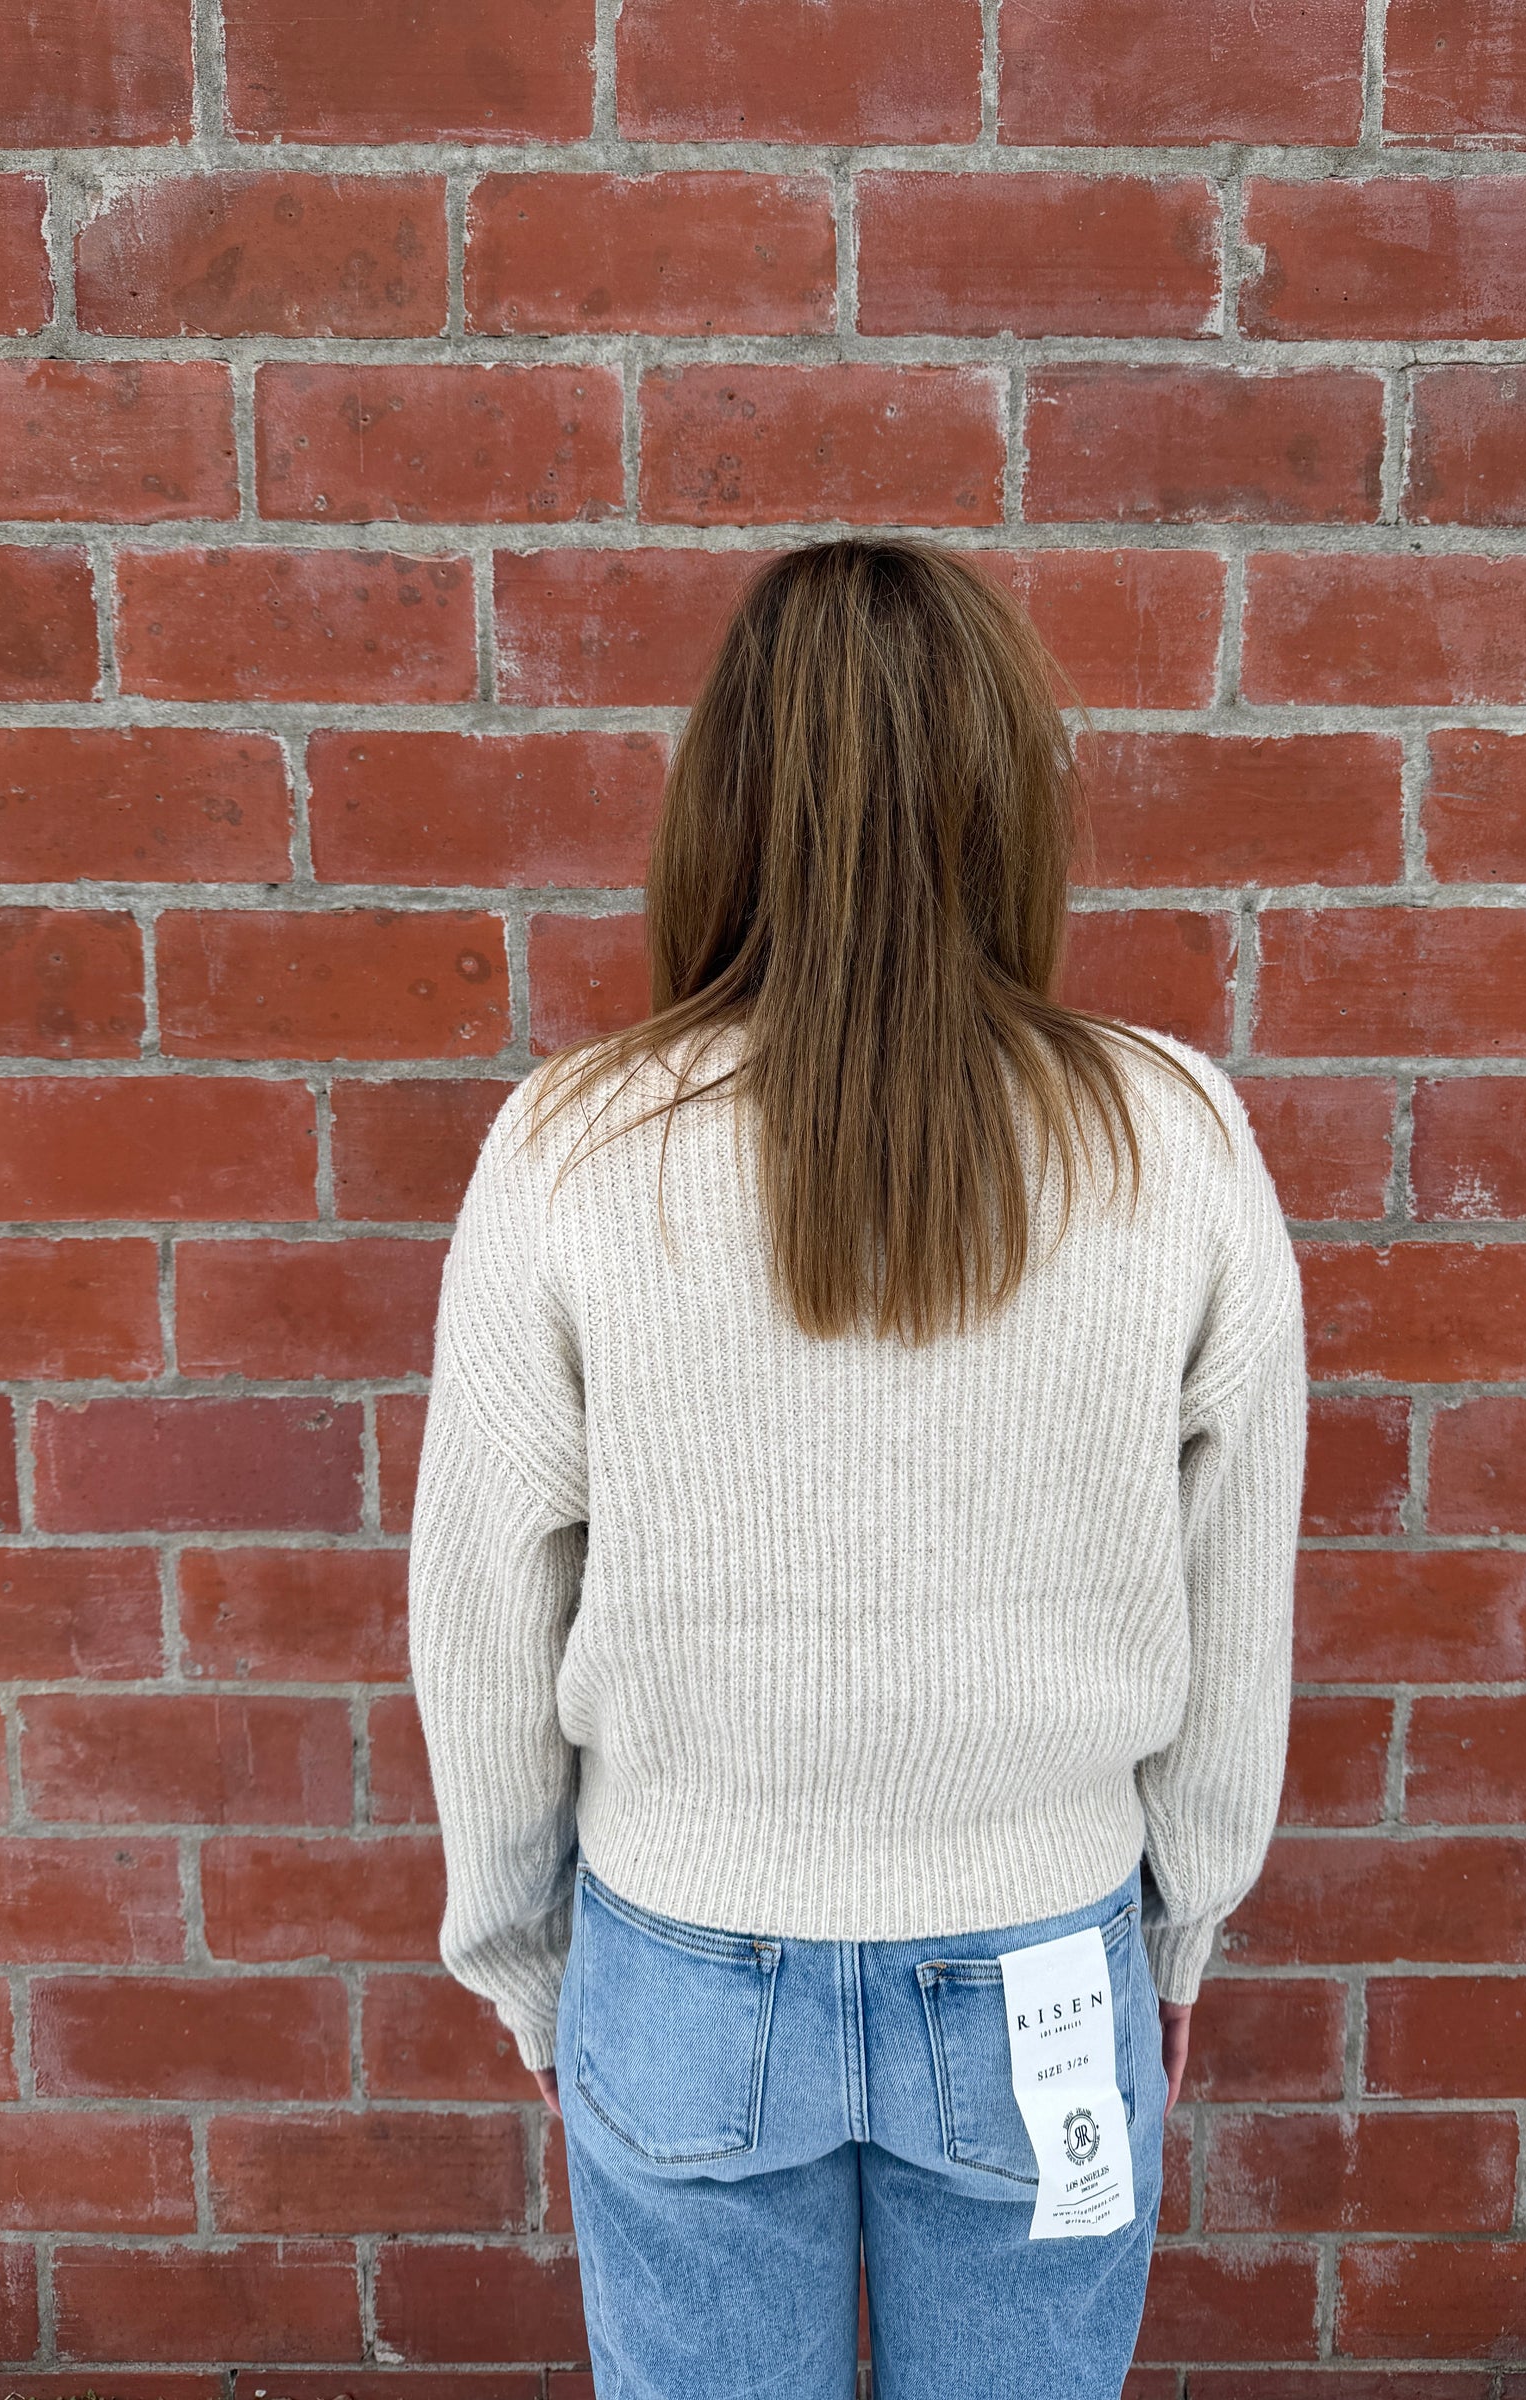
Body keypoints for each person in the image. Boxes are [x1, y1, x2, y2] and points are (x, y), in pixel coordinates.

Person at [407, 534, 1309, 2397]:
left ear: (721, 802)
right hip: (1044, 1969)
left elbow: (486, 1609)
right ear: (1007, 797)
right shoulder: (1174, 1139)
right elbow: (1240, 1587)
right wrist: (1184, 1932)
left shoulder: (572, 1149)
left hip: (681, 1966)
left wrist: (519, 1949)